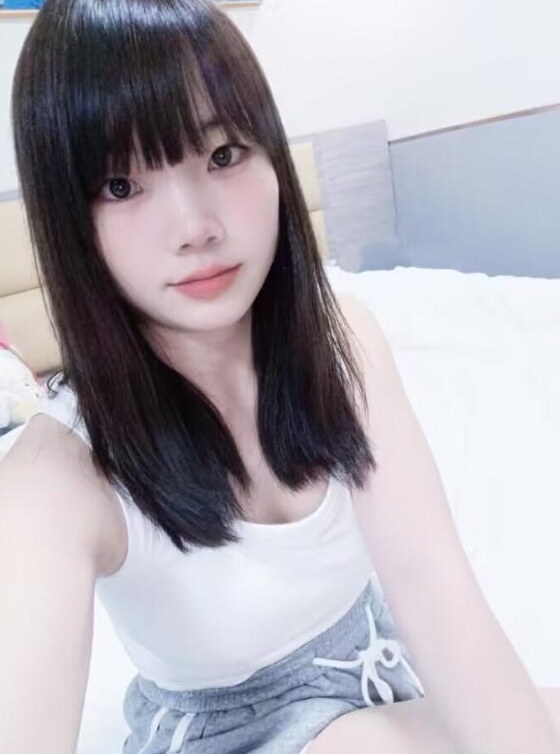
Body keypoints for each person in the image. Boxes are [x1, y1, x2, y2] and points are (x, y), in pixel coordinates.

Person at [2, 1, 560, 753]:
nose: (196, 227)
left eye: (223, 154)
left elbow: (434, 586)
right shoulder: (56, 477)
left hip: (372, 668)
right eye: (121, 186)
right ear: (68, 220)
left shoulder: (342, 340)